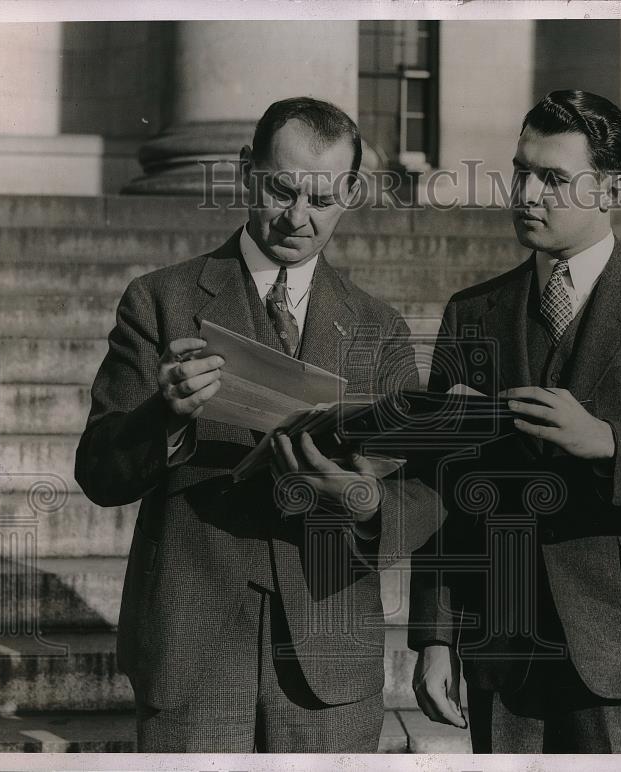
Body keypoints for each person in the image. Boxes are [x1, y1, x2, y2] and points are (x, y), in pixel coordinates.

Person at [76, 97, 444, 753]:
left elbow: (423, 490)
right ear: (248, 171)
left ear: (352, 193)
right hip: (191, 644)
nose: (298, 219)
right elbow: (100, 473)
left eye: (324, 199)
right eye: (281, 189)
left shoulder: (377, 325)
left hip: (329, 651)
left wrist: (361, 498)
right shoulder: (161, 301)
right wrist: (167, 414)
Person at [408, 90, 621, 753]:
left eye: (554, 180)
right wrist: (433, 638)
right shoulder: (472, 313)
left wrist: (608, 444)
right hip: (505, 654)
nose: (525, 194)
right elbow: (442, 488)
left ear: (613, 188)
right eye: (521, 171)